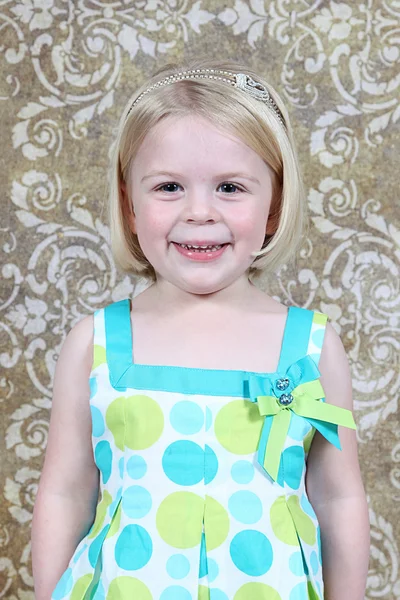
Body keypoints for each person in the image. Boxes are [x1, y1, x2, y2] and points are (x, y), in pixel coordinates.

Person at [31, 57, 370, 600]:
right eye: (168, 187)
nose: (199, 212)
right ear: (130, 203)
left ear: (274, 205)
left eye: (231, 188)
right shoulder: (92, 344)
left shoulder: (310, 345)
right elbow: (67, 493)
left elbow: (338, 497)